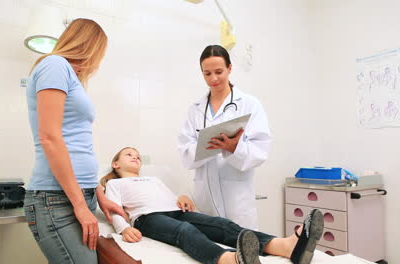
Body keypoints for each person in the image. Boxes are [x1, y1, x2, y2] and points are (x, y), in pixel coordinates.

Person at [101, 147, 324, 264]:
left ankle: (285, 247)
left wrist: (183, 197)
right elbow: (112, 209)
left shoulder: (154, 179)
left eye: (138, 156)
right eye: (129, 154)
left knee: (222, 225)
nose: (135, 157)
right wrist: (124, 228)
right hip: (147, 218)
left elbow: (172, 199)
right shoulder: (115, 183)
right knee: (185, 231)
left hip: (175, 211)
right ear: (115, 163)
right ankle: (229, 259)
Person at [24, 18, 125, 263]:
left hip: (77, 195)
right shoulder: (54, 65)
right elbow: (49, 137)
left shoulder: (70, 76)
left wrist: (100, 196)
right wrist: (79, 205)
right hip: (57, 199)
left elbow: (77, 142)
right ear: (90, 47)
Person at [178, 45, 271, 229]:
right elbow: (185, 153)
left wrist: (233, 148)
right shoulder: (195, 109)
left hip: (237, 200)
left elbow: (260, 150)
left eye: (219, 71)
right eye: (207, 73)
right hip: (205, 198)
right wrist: (207, 146)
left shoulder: (249, 104)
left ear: (229, 68)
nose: (213, 78)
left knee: (241, 250)